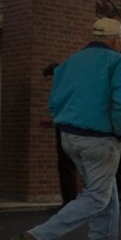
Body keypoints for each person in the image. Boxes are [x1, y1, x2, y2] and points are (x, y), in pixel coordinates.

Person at [10, 17, 121, 240]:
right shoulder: (117, 62)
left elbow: (55, 101)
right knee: (97, 196)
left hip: (69, 136)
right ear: (115, 40)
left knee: (107, 193)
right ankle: (37, 238)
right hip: (99, 138)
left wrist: (62, 121)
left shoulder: (70, 62)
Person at [39, 63, 79, 207]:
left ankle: (70, 200)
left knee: (67, 164)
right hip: (65, 127)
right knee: (65, 165)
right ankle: (68, 199)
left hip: (69, 129)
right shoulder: (66, 88)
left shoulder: (64, 89)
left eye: (50, 80)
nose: (49, 84)